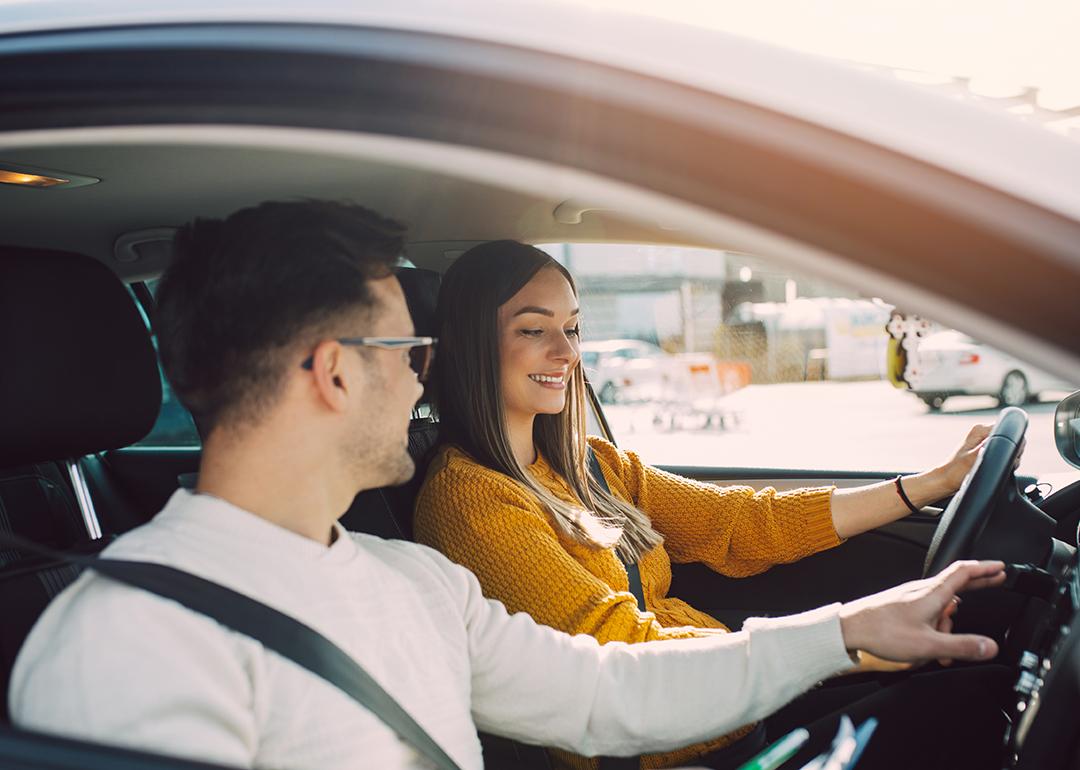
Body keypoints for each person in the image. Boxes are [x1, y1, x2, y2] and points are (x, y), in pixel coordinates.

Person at [10, 202, 1003, 770]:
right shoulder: (125, 641)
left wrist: (847, 632)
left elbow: (610, 689)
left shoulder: (413, 585)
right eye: (409, 346)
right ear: (335, 368)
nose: (422, 373)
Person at [413, 239, 1010, 770]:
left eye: (572, 327)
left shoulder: (592, 464)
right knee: (972, 706)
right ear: (473, 343)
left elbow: (741, 525)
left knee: (981, 689)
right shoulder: (469, 499)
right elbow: (619, 659)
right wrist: (841, 647)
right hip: (663, 750)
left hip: (724, 715)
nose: (567, 352)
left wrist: (926, 486)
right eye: (533, 329)